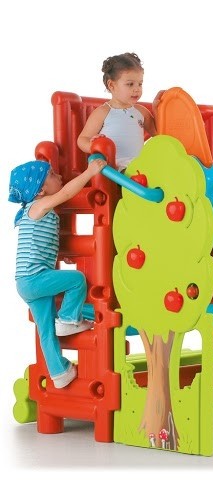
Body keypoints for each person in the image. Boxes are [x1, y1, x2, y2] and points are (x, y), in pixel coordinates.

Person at [8, 158, 107, 388]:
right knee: (77, 280)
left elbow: (42, 242)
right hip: (35, 279)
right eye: (52, 174)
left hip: (25, 283)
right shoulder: (38, 206)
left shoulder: (35, 210)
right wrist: (90, 172)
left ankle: (59, 373)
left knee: (46, 329)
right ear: (40, 190)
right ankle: (69, 318)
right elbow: (66, 193)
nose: (60, 176)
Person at [78, 52, 161, 170]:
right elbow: (82, 139)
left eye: (140, 84)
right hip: (114, 169)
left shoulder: (141, 112)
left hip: (140, 167)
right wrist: (94, 145)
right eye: (130, 84)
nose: (137, 89)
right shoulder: (103, 112)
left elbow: (158, 135)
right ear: (111, 85)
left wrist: (157, 109)